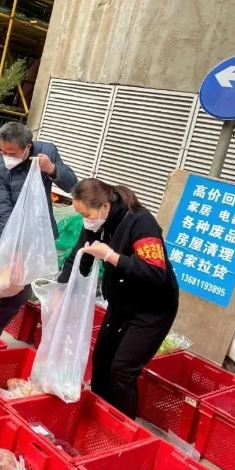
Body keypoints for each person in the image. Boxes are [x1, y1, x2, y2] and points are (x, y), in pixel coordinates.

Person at [59, 178, 179, 419]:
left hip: (152, 309)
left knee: (122, 370)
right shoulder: (96, 221)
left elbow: (155, 271)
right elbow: (80, 256)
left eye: (86, 214)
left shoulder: (141, 222)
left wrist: (112, 256)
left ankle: (123, 427)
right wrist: (60, 291)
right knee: (101, 359)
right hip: (121, 303)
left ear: (105, 206)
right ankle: (99, 418)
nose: (85, 220)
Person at [0, 122, 77, 336]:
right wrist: (15, 245)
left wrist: (52, 169)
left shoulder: (47, 152)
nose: (6, 156)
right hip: (2, 233)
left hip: (36, 236)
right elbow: (2, 206)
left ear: (28, 147)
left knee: (18, 290)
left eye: (12, 153)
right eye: (2, 151)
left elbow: (73, 185)